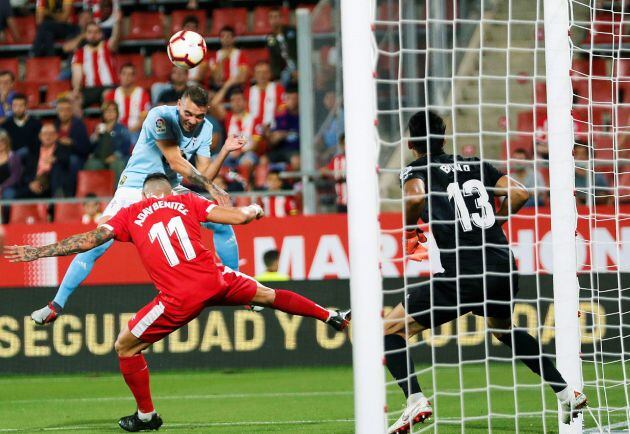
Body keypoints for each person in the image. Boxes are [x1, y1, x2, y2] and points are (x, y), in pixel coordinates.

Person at [5, 172, 350, 432]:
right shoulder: (187, 202)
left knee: (125, 347)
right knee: (269, 296)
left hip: (179, 297)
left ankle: (146, 416)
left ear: (143, 195)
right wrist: (256, 209)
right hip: (217, 280)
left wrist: (38, 252)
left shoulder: (129, 214)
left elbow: (87, 240)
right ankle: (329, 315)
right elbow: (239, 218)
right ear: (170, 192)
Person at [385, 111, 587, 433]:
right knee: (503, 329)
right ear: (444, 138)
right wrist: (495, 222)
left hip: (465, 271)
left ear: (410, 143)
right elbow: (520, 193)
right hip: (502, 265)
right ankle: (567, 393)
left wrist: (410, 232)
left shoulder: (415, 168)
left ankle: (415, 401)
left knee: (389, 329)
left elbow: (415, 197)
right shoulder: (476, 164)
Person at [30, 85, 247, 325]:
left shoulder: (205, 129)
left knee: (222, 222)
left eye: (199, 116)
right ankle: (56, 305)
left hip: (170, 188)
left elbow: (203, 173)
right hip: (134, 186)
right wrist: (213, 188)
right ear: (179, 105)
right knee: (98, 242)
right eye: (188, 113)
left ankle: (240, 288)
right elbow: (176, 162)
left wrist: (225, 150)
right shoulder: (160, 116)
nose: (193, 120)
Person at [71, 17, 122, 108]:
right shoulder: (79, 53)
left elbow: (115, 38)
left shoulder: (108, 47)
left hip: (109, 87)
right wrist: (76, 89)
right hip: (89, 89)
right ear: (85, 34)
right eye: (90, 32)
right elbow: (77, 74)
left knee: (108, 95)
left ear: (101, 34)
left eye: (96, 32)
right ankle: (78, 122)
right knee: (74, 100)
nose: (93, 35)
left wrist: (117, 23)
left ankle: (107, 122)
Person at [85, 100, 131, 184]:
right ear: (103, 114)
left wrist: (115, 156)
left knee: (118, 165)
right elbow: (90, 147)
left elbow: (126, 146)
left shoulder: (122, 128)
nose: (110, 113)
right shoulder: (99, 128)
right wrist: (95, 136)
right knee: (90, 164)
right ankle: (92, 194)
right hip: (99, 158)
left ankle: (118, 193)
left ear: (117, 113)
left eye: (112, 110)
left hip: (116, 158)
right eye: (107, 111)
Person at [104, 63, 151, 143]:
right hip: (115, 131)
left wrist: (131, 130)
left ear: (134, 77)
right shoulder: (111, 95)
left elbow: (144, 117)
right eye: (124, 74)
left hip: (135, 131)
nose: (126, 77)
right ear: (119, 76)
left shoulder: (142, 94)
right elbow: (106, 116)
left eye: (130, 75)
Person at [1, 94, 43, 180]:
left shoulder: (36, 123)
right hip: (11, 161)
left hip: (31, 160)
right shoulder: (6, 125)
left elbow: (37, 146)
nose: (18, 108)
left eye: (21, 105)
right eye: (15, 105)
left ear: (26, 106)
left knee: (26, 152)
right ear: (11, 107)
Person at [266, 7, 297, 86]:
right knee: (282, 79)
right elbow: (273, 58)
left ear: (281, 19)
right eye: (271, 17)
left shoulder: (291, 31)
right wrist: (277, 76)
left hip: (298, 64)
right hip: (285, 69)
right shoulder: (270, 38)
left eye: (276, 17)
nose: (274, 20)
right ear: (269, 21)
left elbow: (300, 50)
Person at [267, 85, 299, 163]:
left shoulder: (304, 117)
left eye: (294, 98)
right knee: (263, 161)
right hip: (279, 150)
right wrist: (272, 138)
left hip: (296, 150)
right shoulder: (280, 116)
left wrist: (284, 134)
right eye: (288, 98)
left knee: (296, 161)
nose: (291, 101)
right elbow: (272, 141)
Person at [247, 61, 284, 127]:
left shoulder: (278, 89)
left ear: (270, 74)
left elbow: (282, 108)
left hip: (273, 128)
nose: (262, 75)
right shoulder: (248, 92)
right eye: (259, 73)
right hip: (252, 130)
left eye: (265, 72)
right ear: (254, 75)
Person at [320, 134, 346, 213]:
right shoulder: (338, 159)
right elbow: (324, 171)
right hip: (342, 203)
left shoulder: (361, 159)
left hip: (358, 202)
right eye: (345, 143)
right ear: (342, 145)